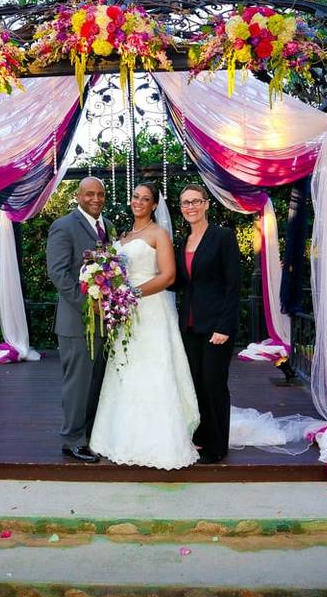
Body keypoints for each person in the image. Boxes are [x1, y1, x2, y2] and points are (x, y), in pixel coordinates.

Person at [89, 182, 200, 469]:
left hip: (151, 310)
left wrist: (132, 294)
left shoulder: (158, 234)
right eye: (135, 196)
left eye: (146, 198)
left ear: (154, 205)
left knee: (153, 369)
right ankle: (120, 436)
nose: (138, 201)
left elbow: (168, 275)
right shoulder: (122, 236)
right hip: (125, 314)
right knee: (126, 369)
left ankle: (162, 439)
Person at [45, 177, 114, 462]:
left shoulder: (107, 226)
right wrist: (89, 306)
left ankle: (88, 435)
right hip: (77, 322)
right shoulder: (63, 226)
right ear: (78, 196)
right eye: (89, 194)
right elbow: (59, 274)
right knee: (78, 384)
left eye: (100, 194)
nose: (95, 199)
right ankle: (72, 440)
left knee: (96, 382)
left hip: (103, 321)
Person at [173, 184, 241, 464]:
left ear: (206, 204)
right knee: (197, 382)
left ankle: (218, 444)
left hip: (216, 326)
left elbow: (232, 285)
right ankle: (201, 436)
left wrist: (224, 327)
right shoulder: (182, 242)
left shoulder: (222, 237)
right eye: (185, 203)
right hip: (189, 325)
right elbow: (178, 282)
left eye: (195, 201)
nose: (190, 207)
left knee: (214, 384)